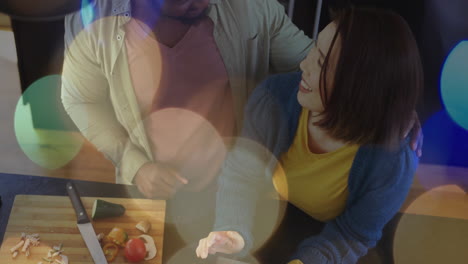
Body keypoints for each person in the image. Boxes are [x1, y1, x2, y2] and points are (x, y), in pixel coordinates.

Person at [61, 0, 422, 199]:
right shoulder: (93, 24)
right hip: (150, 191)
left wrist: (389, 101)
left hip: (241, 190)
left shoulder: (252, 9)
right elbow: (80, 100)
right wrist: (135, 165)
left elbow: (323, 67)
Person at [196, 7, 423, 264]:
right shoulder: (273, 99)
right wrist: (232, 230)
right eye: (314, 50)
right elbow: (242, 175)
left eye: (322, 63)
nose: (304, 64)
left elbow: (353, 234)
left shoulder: (392, 163)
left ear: (361, 87)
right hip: (268, 213)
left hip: (330, 237)